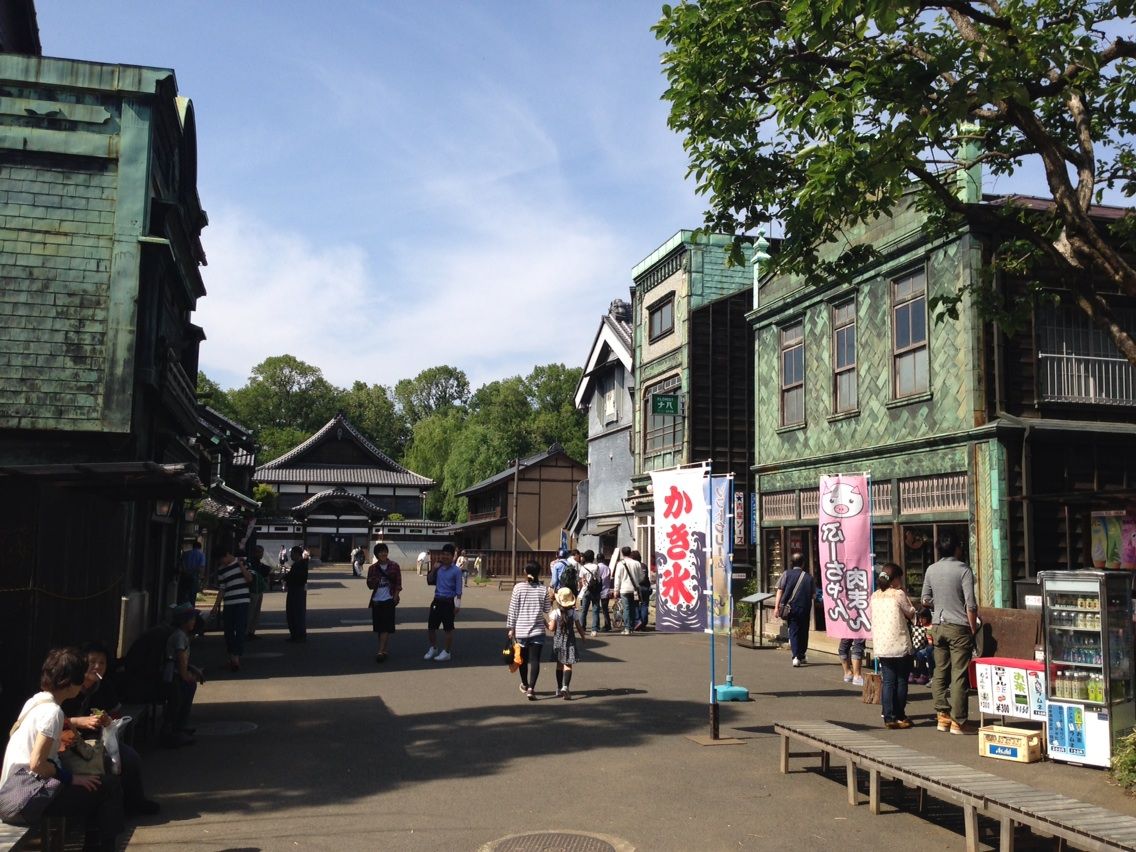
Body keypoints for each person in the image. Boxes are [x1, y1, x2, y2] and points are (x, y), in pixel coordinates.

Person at [2, 647, 124, 852]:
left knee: (96, 785)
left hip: (13, 790)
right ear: (70, 682)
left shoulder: (35, 701)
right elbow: (37, 763)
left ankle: (95, 846)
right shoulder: (53, 713)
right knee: (108, 787)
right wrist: (70, 778)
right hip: (25, 797)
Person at [60, 641, 159, 815]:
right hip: (67, 742)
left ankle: (133, 803)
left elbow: (115, 714)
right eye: (92, 662)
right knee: (102, 765)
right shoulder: (68, 686)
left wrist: (108, 721)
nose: (97, 667)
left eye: (102, 663)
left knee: (129, 758)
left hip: (98, 740)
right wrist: (78, 721)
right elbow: (54, 719)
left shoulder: (104, 686)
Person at [920, 530, 979, 734]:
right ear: (956, 548)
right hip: (959, 626)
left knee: (940, 671)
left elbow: (925, 599)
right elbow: (971, 605)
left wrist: (940, 603)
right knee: (959, 674)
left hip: (938, 625)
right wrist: (973, 628)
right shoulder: (964, 570)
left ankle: (942, 715)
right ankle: (958, 721)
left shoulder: (931, 569)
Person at [871, 563, 916, 729]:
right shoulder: (898, 594)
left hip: (882, 644)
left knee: (888, 681)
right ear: (895, 579)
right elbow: (910, 612)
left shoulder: (875, 595)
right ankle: (900, 715)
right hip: (899, 643)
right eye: (899, 578)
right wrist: (906, 595)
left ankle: (888, 716)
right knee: (901, 680)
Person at [506, 563, 551, 700]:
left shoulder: (518, 588)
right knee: (535, 660)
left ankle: (525, 684)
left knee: (523, 660)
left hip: (521, 630)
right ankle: (532, 688)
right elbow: (547, 609)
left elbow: (513, 609)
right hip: (538, 630)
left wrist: (511, 628)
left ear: (525, 572)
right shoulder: (543, 589)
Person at [160, 606, 204, 747]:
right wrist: (186, 676)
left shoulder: (183, 635)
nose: (193, 622)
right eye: (191, 619)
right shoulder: (179, 636)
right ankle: (172, 732)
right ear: (183, 621)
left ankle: (180, 727)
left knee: (184, 696)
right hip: (172, 675)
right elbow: (180, 658)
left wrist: (191, 671)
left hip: (176, 673)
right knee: (177, 702)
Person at [215, 538, 252, 671]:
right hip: (229, 602)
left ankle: (235, 657)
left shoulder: (242, 562)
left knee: (240, 629)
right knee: (228, 630)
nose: (220, 562)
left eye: (221, 559)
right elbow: (222, 589)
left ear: (226, 555)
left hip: (242, 601)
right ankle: (232, 656)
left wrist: (241, 566)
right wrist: (215, 606)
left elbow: (249, 579)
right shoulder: (221, 570)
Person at [774, 552, 815, 667]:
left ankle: (796, 656)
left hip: (790, 607)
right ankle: (802, 654)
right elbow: (813, 595)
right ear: (803, 563)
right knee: (804, 631)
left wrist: (776, 607)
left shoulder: (786, 574)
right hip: (805, 608)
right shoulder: (809, 577)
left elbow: (780, 590)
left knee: (794, 630)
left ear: (792, 563)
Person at [424, 544, 462, 662]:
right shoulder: (439, 567)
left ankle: (446, 652)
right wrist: (434, 568)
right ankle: (433, 648)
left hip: (448, 602)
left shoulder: (456, 571)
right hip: (437, 600)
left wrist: (457, 604)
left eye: (448, 554)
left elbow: (459, 589)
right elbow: (430, 580)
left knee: (448, 629)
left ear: (453, 556)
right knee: (431, 627)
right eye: (444, 554)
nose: (445, 556)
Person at [548, 586, 586, 699]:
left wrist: (546, 623)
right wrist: (583, 637)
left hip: (558, 642)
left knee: (559, 665)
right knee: (568, 665)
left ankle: (559, 688)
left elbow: (551, 628)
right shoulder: (573, 613)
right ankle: (566, 687)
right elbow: (579, 627)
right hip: (570, 641)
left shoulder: (555, 613)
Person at [367, 543, 402, 663]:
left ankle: (380, 651)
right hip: (376, 601)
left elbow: (398, 584)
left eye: (385, 551)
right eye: (381, 552)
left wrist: (395, 597)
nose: (383, 554)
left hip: (389, 599)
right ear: (376, 554)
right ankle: (384, 649)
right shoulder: (372, 568)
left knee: (385, 627)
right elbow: (369, 586)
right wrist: (375, 580)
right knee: (379, 628)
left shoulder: (394, 566)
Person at [612, 546, 643, 636]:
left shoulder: (620, 564)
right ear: (630, 553)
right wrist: (636, 582)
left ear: (622, 553)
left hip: (624, 589)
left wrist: (616, 590)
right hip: (634, 589)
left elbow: (617, 578)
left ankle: (627, 628)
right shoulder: (637, 563)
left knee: (626, 608)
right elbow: (641, 577)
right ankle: (632, 627)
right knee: (633, 608)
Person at [246, 545, 273, 640]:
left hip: (259, 590)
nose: (261, 554)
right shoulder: (251, 563)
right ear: (254, 553)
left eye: (262, 552)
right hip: (252, 590)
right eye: (259, 552)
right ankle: (246, 632)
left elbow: (265, 570)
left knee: (256, 612)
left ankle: (251, 632)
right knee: (250, 612)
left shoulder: (258, 563)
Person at [286, 544, 310, 642]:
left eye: (292, 554)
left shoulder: (299, 564)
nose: (290, 556)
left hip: (296, 590)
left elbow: (297, 578)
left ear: (296, 554)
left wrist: (287, 577)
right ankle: (297, 634)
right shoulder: (300, 564)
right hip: (298, 590)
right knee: (296, 612)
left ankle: (298, 634)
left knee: (295, 612)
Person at [577, 550, 601, 637]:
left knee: (584, 610)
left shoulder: (583, 568)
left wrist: (580, 590)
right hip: (595, 590)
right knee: (595, 610)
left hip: (586, 590)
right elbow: (598, 578)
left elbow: (581, 580)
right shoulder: (596, 567)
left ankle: (582, 628)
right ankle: (594, 630)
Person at [910, 609, 935, 684]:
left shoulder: (932, 626)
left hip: (931, 646)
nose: (921, 620)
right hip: (921, 646)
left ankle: (928, 674)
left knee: (928, 650)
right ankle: (917, 673)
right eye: (920, 618)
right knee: (916, 653)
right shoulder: (919, 626)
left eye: (923, 618)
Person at [177, 541, 206, 606]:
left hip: (184, 575)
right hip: (194, 575)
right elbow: (201, 567)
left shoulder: (185, 553)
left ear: (193, 546)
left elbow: (181, 563)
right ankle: (191, 608)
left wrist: (185, 570)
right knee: (192, 594)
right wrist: (201, 577)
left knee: (183, 593)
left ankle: (181, 607)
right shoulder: (202, 555)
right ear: (200, 547)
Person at [633, 549, 652, 631]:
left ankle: (638, 621)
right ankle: (643, 622)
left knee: (636, 604)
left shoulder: (634, 566)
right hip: (645, 588)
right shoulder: (643, 565)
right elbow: (645, 577)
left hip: (637, 588)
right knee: (644, 605)